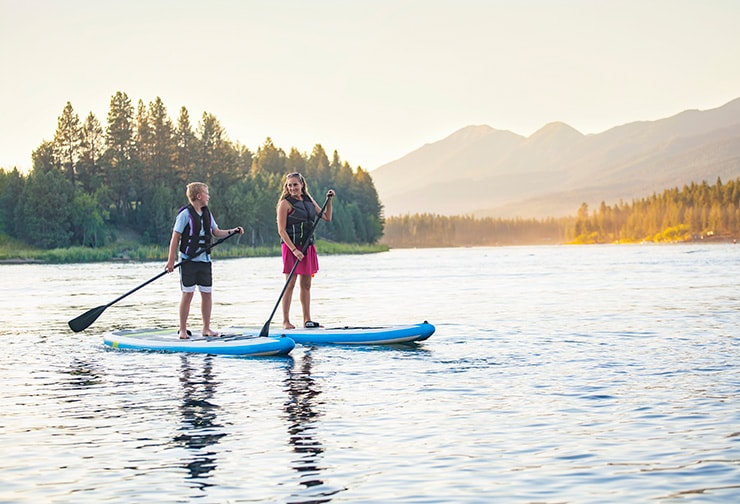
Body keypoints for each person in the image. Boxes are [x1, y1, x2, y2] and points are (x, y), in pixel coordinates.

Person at [166, 182, 244, 339]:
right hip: (188, 261)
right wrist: (170, 261)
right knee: (187, 295)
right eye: (207, 193)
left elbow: (216, 232)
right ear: (199, 196)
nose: (209, 196)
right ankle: (182, 329)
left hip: (205, 261)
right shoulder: (185, 215)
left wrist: (232, 231)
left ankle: (206, 328)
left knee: (207, 294)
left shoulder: (207, 213)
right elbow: (175, 237)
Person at [276, 172, 334, 329]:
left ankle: (307, 320)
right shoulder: (284, 204)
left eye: (295, 184)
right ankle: (286, 321)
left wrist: (329, 201)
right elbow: (281, 230)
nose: (293, 188)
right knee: (290, 284)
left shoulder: (308, 200)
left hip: (307, 247)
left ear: (302, 184)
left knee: (306, 284)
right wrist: (294, 250)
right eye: (290, 185)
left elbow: (327, 217)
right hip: (291, 247)